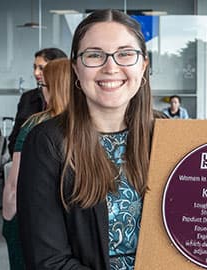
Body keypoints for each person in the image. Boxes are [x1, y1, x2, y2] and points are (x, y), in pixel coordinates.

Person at [17, 9, 158, 269]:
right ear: (76, 68)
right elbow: (48, 261)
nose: (111, 67)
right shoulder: (46, 142)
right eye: (94, 55)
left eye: (125, 54)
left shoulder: (167, 135)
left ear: (144, 65)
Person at [2, 59, 71, 270]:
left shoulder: (35, 124)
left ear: (55, 88)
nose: (41, 91)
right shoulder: (85, 126)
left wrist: (8, 219)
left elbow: (14, 184)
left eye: (44, 85)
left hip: (31, 218)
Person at [7, 48, 67, 156]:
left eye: (42, 68)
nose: (36, 73)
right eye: (34, 67)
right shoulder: (27, 98)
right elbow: (15, 139)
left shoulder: (77, 103)